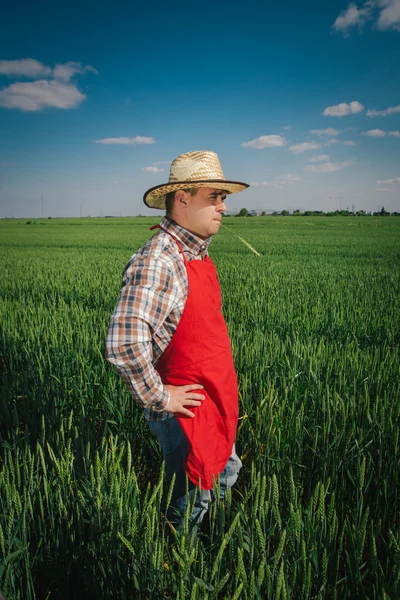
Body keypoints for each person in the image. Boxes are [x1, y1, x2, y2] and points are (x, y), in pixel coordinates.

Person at [105, 150, 249, 532]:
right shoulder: (160, 260)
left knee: (226, 469)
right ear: (182, 198)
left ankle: (208, 543)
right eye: (213, 196)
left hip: (212, 396)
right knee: (193, 493)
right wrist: (161, 397)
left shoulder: (194, 253)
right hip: (184, 413)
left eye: (224, 198)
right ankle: (176, 562)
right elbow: (123, 344)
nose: (222, 207)